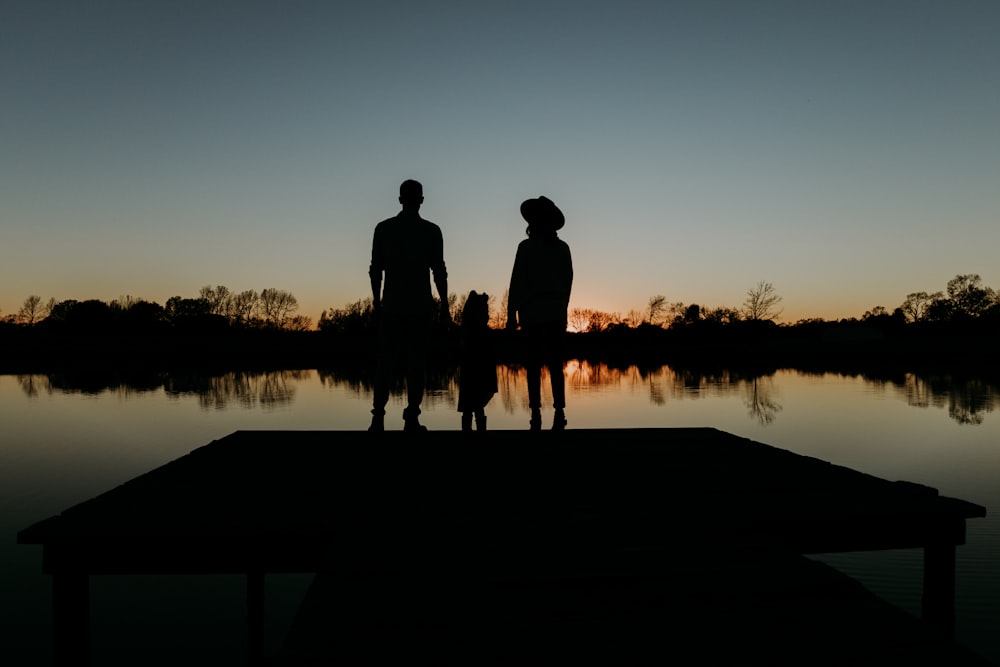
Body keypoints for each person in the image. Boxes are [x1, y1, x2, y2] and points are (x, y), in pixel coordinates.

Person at [368, 179, 449, 432]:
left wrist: (377, 301)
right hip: (419, 306)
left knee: (386, 362)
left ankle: (378, 417)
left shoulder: (384, 229)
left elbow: (375, 270)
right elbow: (439, 273)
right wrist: (445, 305)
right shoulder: (431, 231)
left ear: (400, 199)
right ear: (421, 200)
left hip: (393, 305)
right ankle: (411, 416)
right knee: (416, 363)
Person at [506, 196, 573, 431]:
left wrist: (511, 313)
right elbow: (567, 284)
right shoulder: (560, 248)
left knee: (535, 364)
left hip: (535, 312)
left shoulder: (527, 248)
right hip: (548, 312)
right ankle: (556, 410)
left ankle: (538, 411)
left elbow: (517, 282)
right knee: (553, 363)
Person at [457, 290, 497, 434]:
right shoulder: (473, 333)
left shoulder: (470, 333)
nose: (487, 316)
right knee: (475, 405)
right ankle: (477, 432)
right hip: (474, 373)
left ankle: (472, 431)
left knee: (474, 405)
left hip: (475, 374)